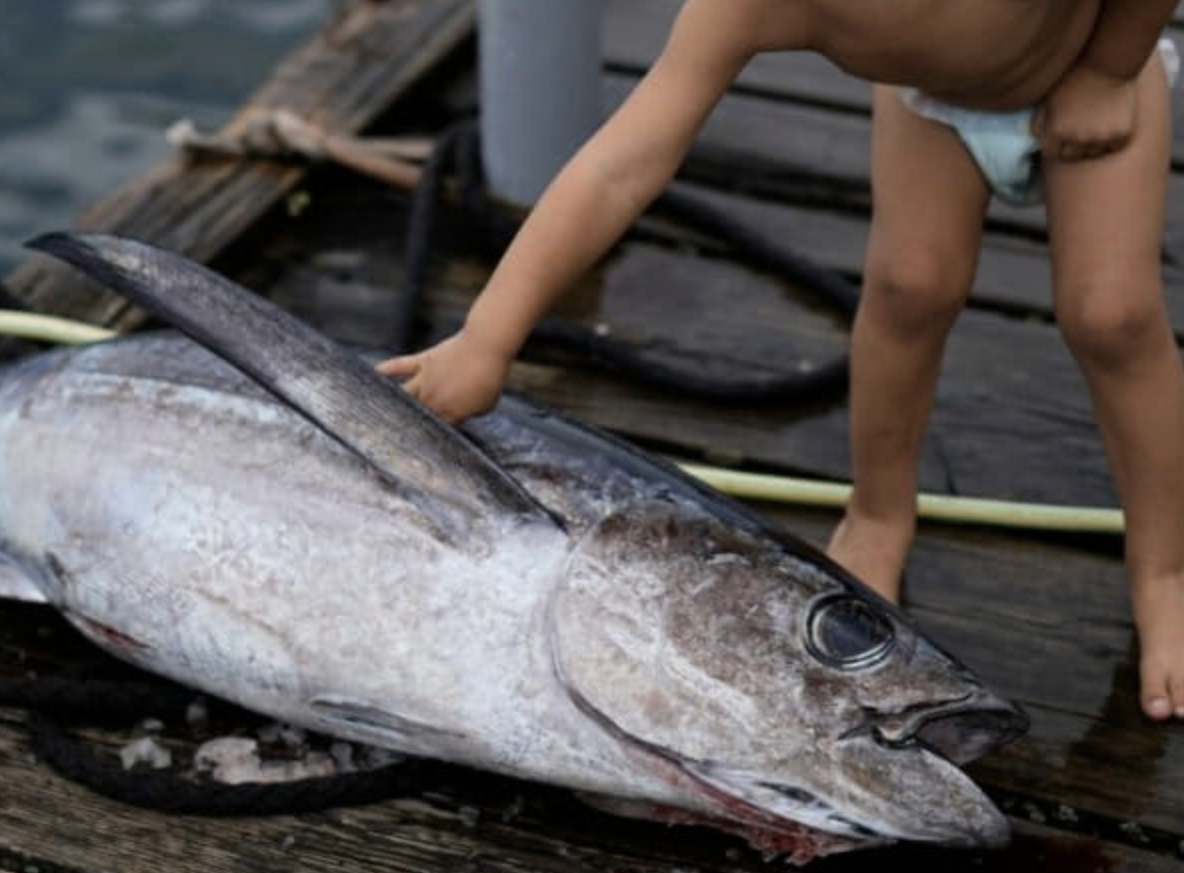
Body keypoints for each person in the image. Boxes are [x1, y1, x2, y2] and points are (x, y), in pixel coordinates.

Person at [376, 0, 1184, 721]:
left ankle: (1165, 573)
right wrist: (488, 338)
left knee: (1110, 316)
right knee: (908, 290)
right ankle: (877, 512)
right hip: (935, 108)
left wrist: (1110, 69)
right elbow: (622, 162)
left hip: (1091, 67)